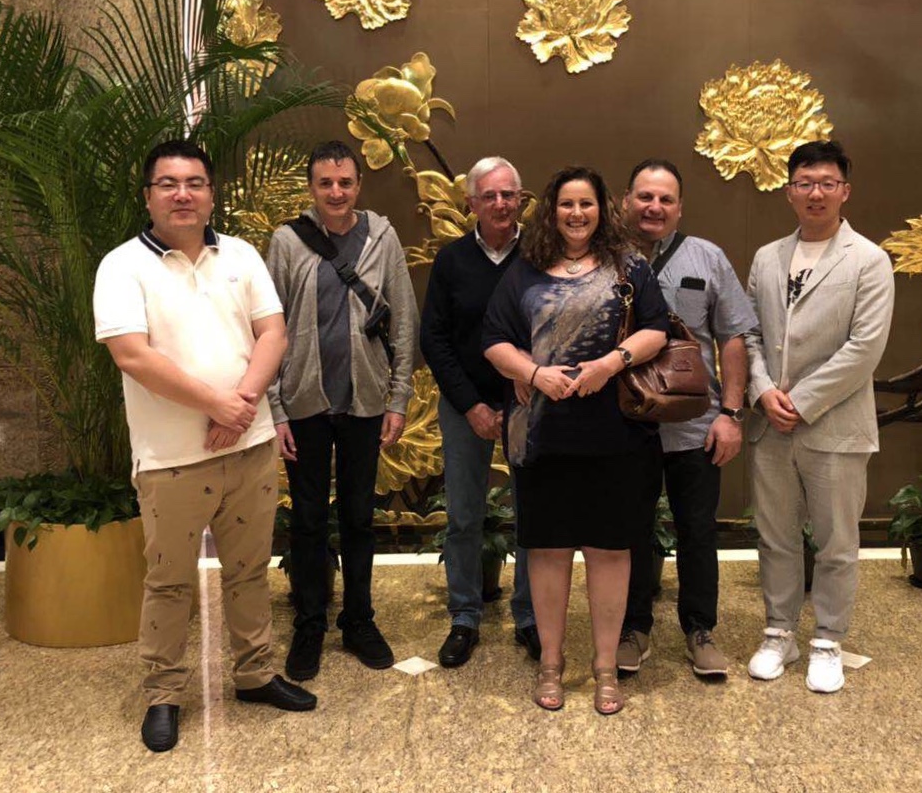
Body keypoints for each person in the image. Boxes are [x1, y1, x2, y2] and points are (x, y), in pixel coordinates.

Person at [94, 139, 316, 754]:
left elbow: (273, 332)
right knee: (169, 582)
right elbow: (132, 355)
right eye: (168, 184)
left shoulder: (240, 254)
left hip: (249, 446)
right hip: (171, 460)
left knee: (249, 570)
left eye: (194, 183)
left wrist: (239, 406)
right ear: (148, 197)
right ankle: (164, 693)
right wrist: (216, 406)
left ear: (212, 194)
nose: (182, 194)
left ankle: (255, 673)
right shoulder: (121, 266)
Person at [483, 165, 668, 715]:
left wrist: (610, 364)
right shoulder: (525, 268)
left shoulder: (629, 266)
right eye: (567, 204)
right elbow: (493, 339)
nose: (577, 213)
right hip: (543, 436)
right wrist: (534, 373)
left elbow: (657, 329)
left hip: (615, 435)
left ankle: (606, 667)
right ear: (552, 211)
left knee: (610, 551)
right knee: (548, 551)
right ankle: (551, 663)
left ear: (602, 209)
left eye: (586, 203)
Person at [744, 140, 895, 693]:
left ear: (844, 191)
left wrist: (802, 401)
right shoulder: (766, 258)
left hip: (834, 426)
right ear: (789, 192)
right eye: (805, 183)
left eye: (827, 183)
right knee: (776, 536)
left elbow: (865, 348)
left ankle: (828, 640)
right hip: (769, 423)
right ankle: (779, 633)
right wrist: (763, 391)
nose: (816, 193)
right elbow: (748, 335)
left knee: (835, 542)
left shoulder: (869, 260)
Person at [265, 141, 419, 680]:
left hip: (365, 400)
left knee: (358, 518)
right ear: (311, 187)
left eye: (345, 182)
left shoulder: (382, 237)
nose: (336, 192)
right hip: (304, 401)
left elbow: (403, 319)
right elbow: (266, 326)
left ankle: (359, 620)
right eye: (326, 183)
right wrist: (275, 409)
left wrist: (398, 398)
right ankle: (310, 624)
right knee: (308, 520)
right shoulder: (287, 241)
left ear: (359, 185)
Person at [618, 158, 758, 679]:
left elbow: (734, 337)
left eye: (666, 199)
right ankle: (632, 628)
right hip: (625, 424)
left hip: (696, 427)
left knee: (698, 530)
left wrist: (732, 415)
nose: (654, 207)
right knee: (629, 528)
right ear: (626, 201)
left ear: (680, 207)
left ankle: (700, 629)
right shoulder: (605, 258)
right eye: (645, 196)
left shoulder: (708, 257)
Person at [420, 156, 538, 668]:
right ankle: (465, 616)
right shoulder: (451, 260)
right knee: (464, 516)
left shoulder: (539, 256)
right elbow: (434, 338)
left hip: (528, 404)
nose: (500, 204)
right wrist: (471, 405)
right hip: (464, 404)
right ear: (471, 203)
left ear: (521, 200)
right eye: (489, 195)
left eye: (508, 194)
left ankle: (530, 616)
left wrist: (521, 394)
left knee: (533, 515)